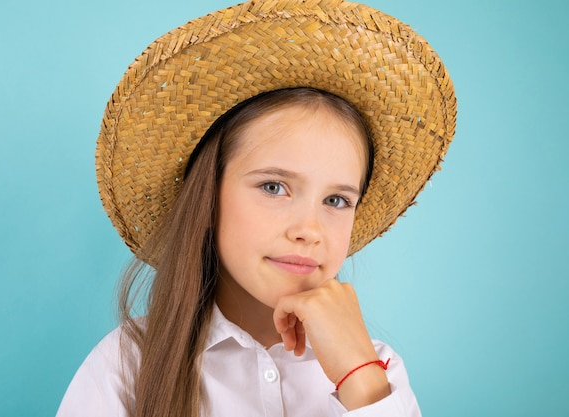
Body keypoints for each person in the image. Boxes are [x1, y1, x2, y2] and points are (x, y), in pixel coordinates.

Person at [56, 1, 456, 416]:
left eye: (335, 200)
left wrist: (362, 378)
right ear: (208, 197)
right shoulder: (124, 367)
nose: (309, 229)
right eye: (273, 186)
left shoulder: (378, 374)